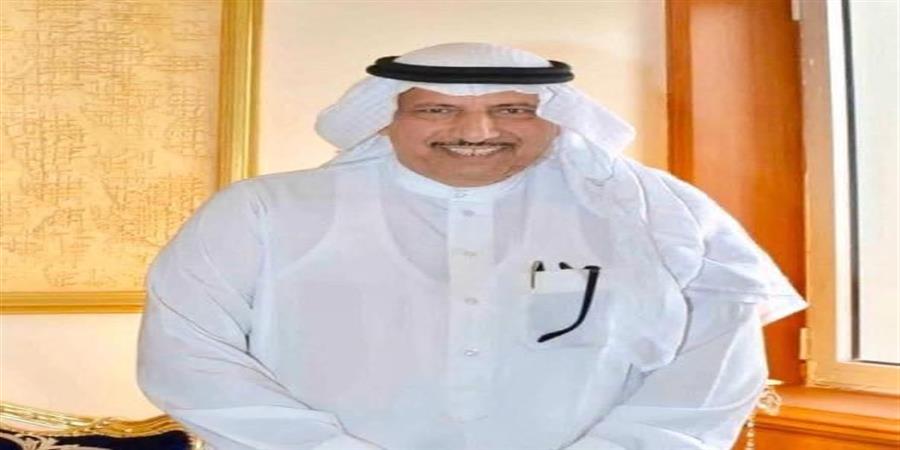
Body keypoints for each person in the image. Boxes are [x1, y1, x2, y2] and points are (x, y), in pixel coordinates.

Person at [137, 43, 806, 450]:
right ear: (387, 117)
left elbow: (716, 366)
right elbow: (190, 357)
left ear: (555, 117)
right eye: (437, 109)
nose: (477, 131)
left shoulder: (657, 216)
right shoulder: (263, 212)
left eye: (513, 109)